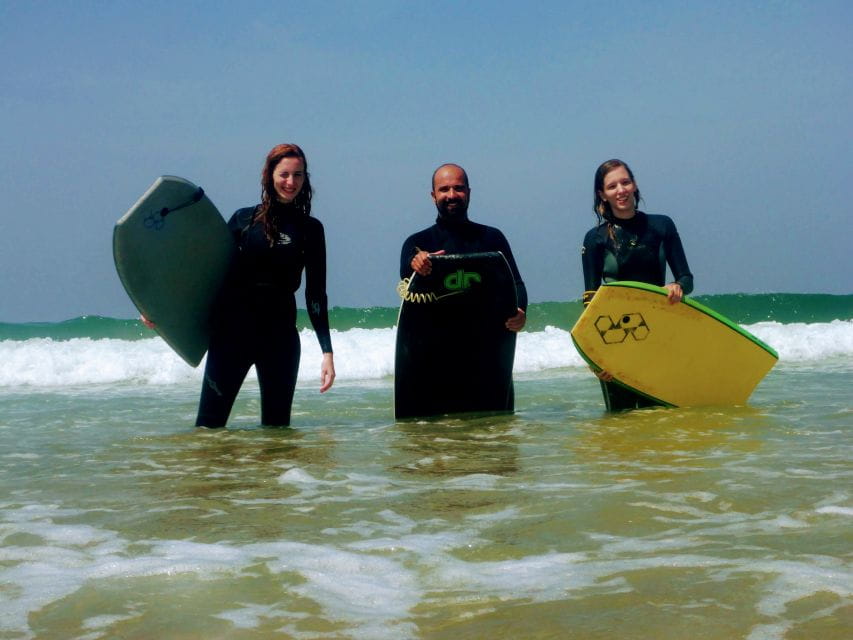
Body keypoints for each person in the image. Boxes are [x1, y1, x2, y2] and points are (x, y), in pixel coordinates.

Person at [146, 143, 335, 427]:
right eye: (284, 174)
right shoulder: (243, 220)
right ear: (270, 174)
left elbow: (316, 294)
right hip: (231, 337)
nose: (291, 182)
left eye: (298, 175)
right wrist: (162, 309)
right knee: (208, 427)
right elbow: (205, 271)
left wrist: (327, 352)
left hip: (280, 340)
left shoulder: (311, 229)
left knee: (277, 433)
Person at [581, 158, 693, 411]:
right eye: (612, 186)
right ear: (602, 194)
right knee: (621, 421)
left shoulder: (662, 226)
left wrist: (677, 286)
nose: (620, 190)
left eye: (625, 182)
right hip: (616, 337)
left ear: (634, 184)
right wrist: (595, 357)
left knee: (663, 415)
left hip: (659, 332)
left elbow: (687, 278)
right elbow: (590, 301)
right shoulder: (595, 239)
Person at [400, 163, 527, 330]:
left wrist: (520, 311)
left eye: (458, 188)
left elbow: (515, 282)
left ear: (468, 192)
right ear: (433, 196)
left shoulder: (492, 238)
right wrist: (416, 262)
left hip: (483, 338)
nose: (451, 195)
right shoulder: (417, 242)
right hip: (432, 339)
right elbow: (406, 276)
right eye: (444, 189)